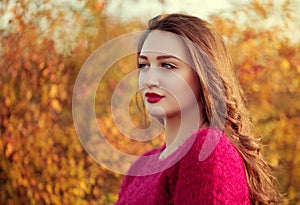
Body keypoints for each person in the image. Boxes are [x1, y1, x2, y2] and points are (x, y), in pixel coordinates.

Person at [115, 14, 281, 204]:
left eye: (168, 65)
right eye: (143, 65)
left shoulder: (208, 152)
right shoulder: (141, 166)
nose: (149, 80)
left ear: (204, 75)